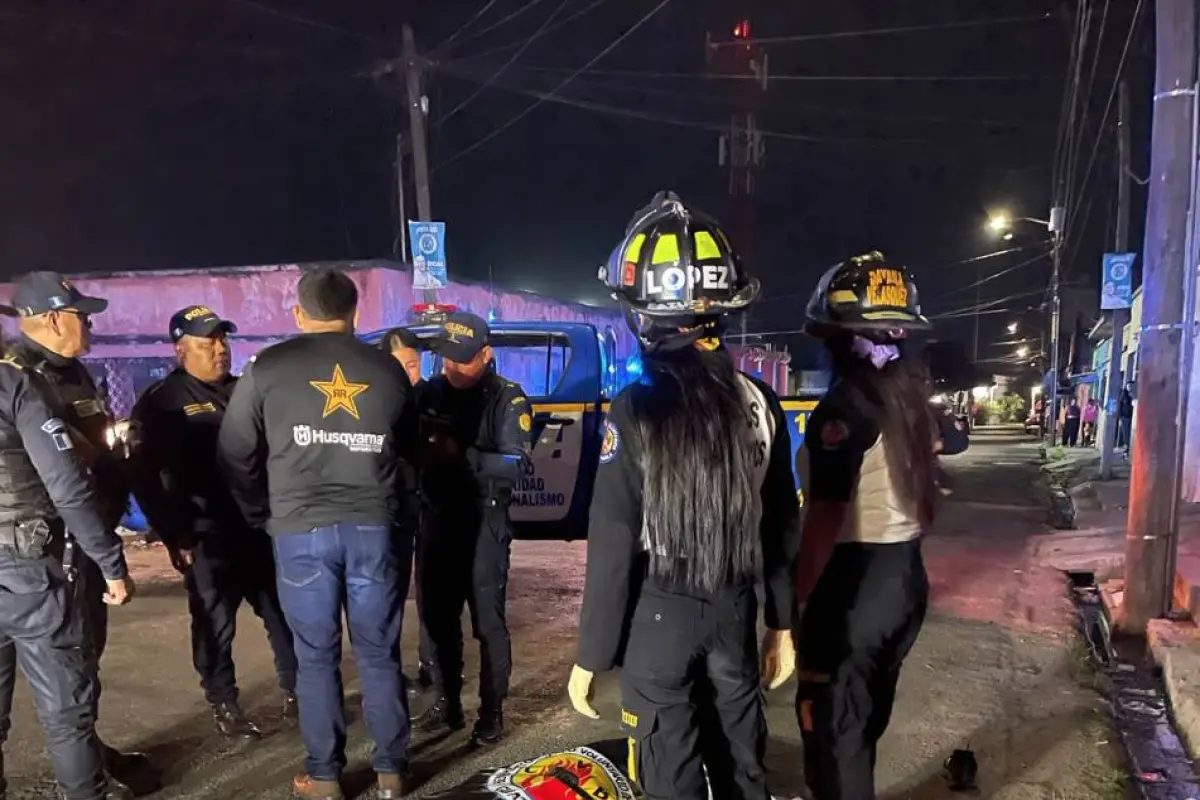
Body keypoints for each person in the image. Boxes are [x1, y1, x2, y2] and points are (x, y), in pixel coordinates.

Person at [566, 192, 799, 800]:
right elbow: (779, 523)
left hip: (661, 614)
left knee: (669, 771)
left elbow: (614, 537)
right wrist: (782, 623)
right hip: (733, 612)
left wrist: (592, 654)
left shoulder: (635, 406)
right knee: (742, 764)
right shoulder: (759, 402)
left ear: (641, 314)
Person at [217, 267, 420, 800]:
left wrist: (262, 510)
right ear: (355, 313)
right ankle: (392, 771)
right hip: (373, 527)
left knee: (315, 655)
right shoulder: (387, 370)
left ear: (299, 312)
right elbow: (410, 451)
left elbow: (235, 452)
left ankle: (326, 776)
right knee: (378, 651)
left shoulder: (267, 368)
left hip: (299, 530)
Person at [792, 251, 968, 799]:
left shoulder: (842, 411)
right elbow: (952, 440)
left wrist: (794, 601)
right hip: (904, 581)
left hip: (853, 586)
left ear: (840, 339)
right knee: (862, 725)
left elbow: (825, 518)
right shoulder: (909, 401)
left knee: (833, 735)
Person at [0, 271, 146, 787]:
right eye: (81, 314)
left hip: (82, 533)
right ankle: (85, 762)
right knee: (67, 682)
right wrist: (109, 559)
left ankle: (93, 750)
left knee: (84, 661)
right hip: (50, 548)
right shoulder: (20, 377)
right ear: (55, 317)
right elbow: (62, 475)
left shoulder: (75, 372)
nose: (89, 323)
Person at [128, 305, 298, 738]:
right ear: (181, 350)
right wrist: (175, 533)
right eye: (208, 344)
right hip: (206, 535)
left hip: (258, 528)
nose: (220, 351)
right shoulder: (163, 402)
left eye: (223, 341)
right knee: (214, 624)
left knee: (283, 614)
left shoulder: (245, 391)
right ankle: (224, 702)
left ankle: (299, 691)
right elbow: (146, 477)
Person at [414, 311, 533, 746]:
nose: (451, 366)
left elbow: (515, 464)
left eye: (462, 359)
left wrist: (460, 454)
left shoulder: (507, 399)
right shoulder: (429, 393)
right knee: (438, 621)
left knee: (487, 624)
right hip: (436, 521)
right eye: (446, 357)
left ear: (486, 354)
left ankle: (492, 710)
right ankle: (448, 703)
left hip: (483, 523)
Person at [379, 327, 436, 696]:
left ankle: (434, 667)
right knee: (389, 592)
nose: (410, 374)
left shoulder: (433, 397)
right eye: (403, 365)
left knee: (433, 589)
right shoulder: (374, 399)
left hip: (432, 504)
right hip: (392, 507)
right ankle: (389, 670)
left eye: (415, 364)